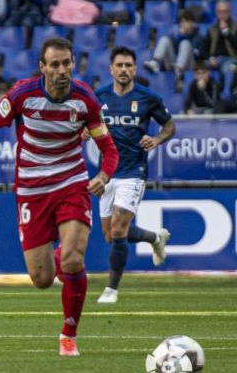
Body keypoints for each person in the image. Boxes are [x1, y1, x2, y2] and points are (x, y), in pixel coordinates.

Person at [0, 37, 119, 356]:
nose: (61, 70)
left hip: (71, 182)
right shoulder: (23, 94)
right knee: (41, 278)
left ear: (73, 64)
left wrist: (103, 175)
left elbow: (108, 149)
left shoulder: (86, 100)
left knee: (72, 259)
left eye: (66, 63)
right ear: (43, 67)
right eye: (54, 64)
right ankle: (59, 258)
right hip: (31, 188)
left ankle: (69, 334)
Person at [93, 46, 175, 304]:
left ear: (135, 69)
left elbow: (170, 125)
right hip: (106, 172)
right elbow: (86, 124)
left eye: (129, 65)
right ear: (111, 69)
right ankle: (155, 237)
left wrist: (157, 138)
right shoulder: (99, 97)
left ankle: (111, 290)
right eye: (119, 65)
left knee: (118, 229)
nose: (124, 70)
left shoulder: (148, 97)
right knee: (110, 235)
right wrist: (85, 132)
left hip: (134, 171)